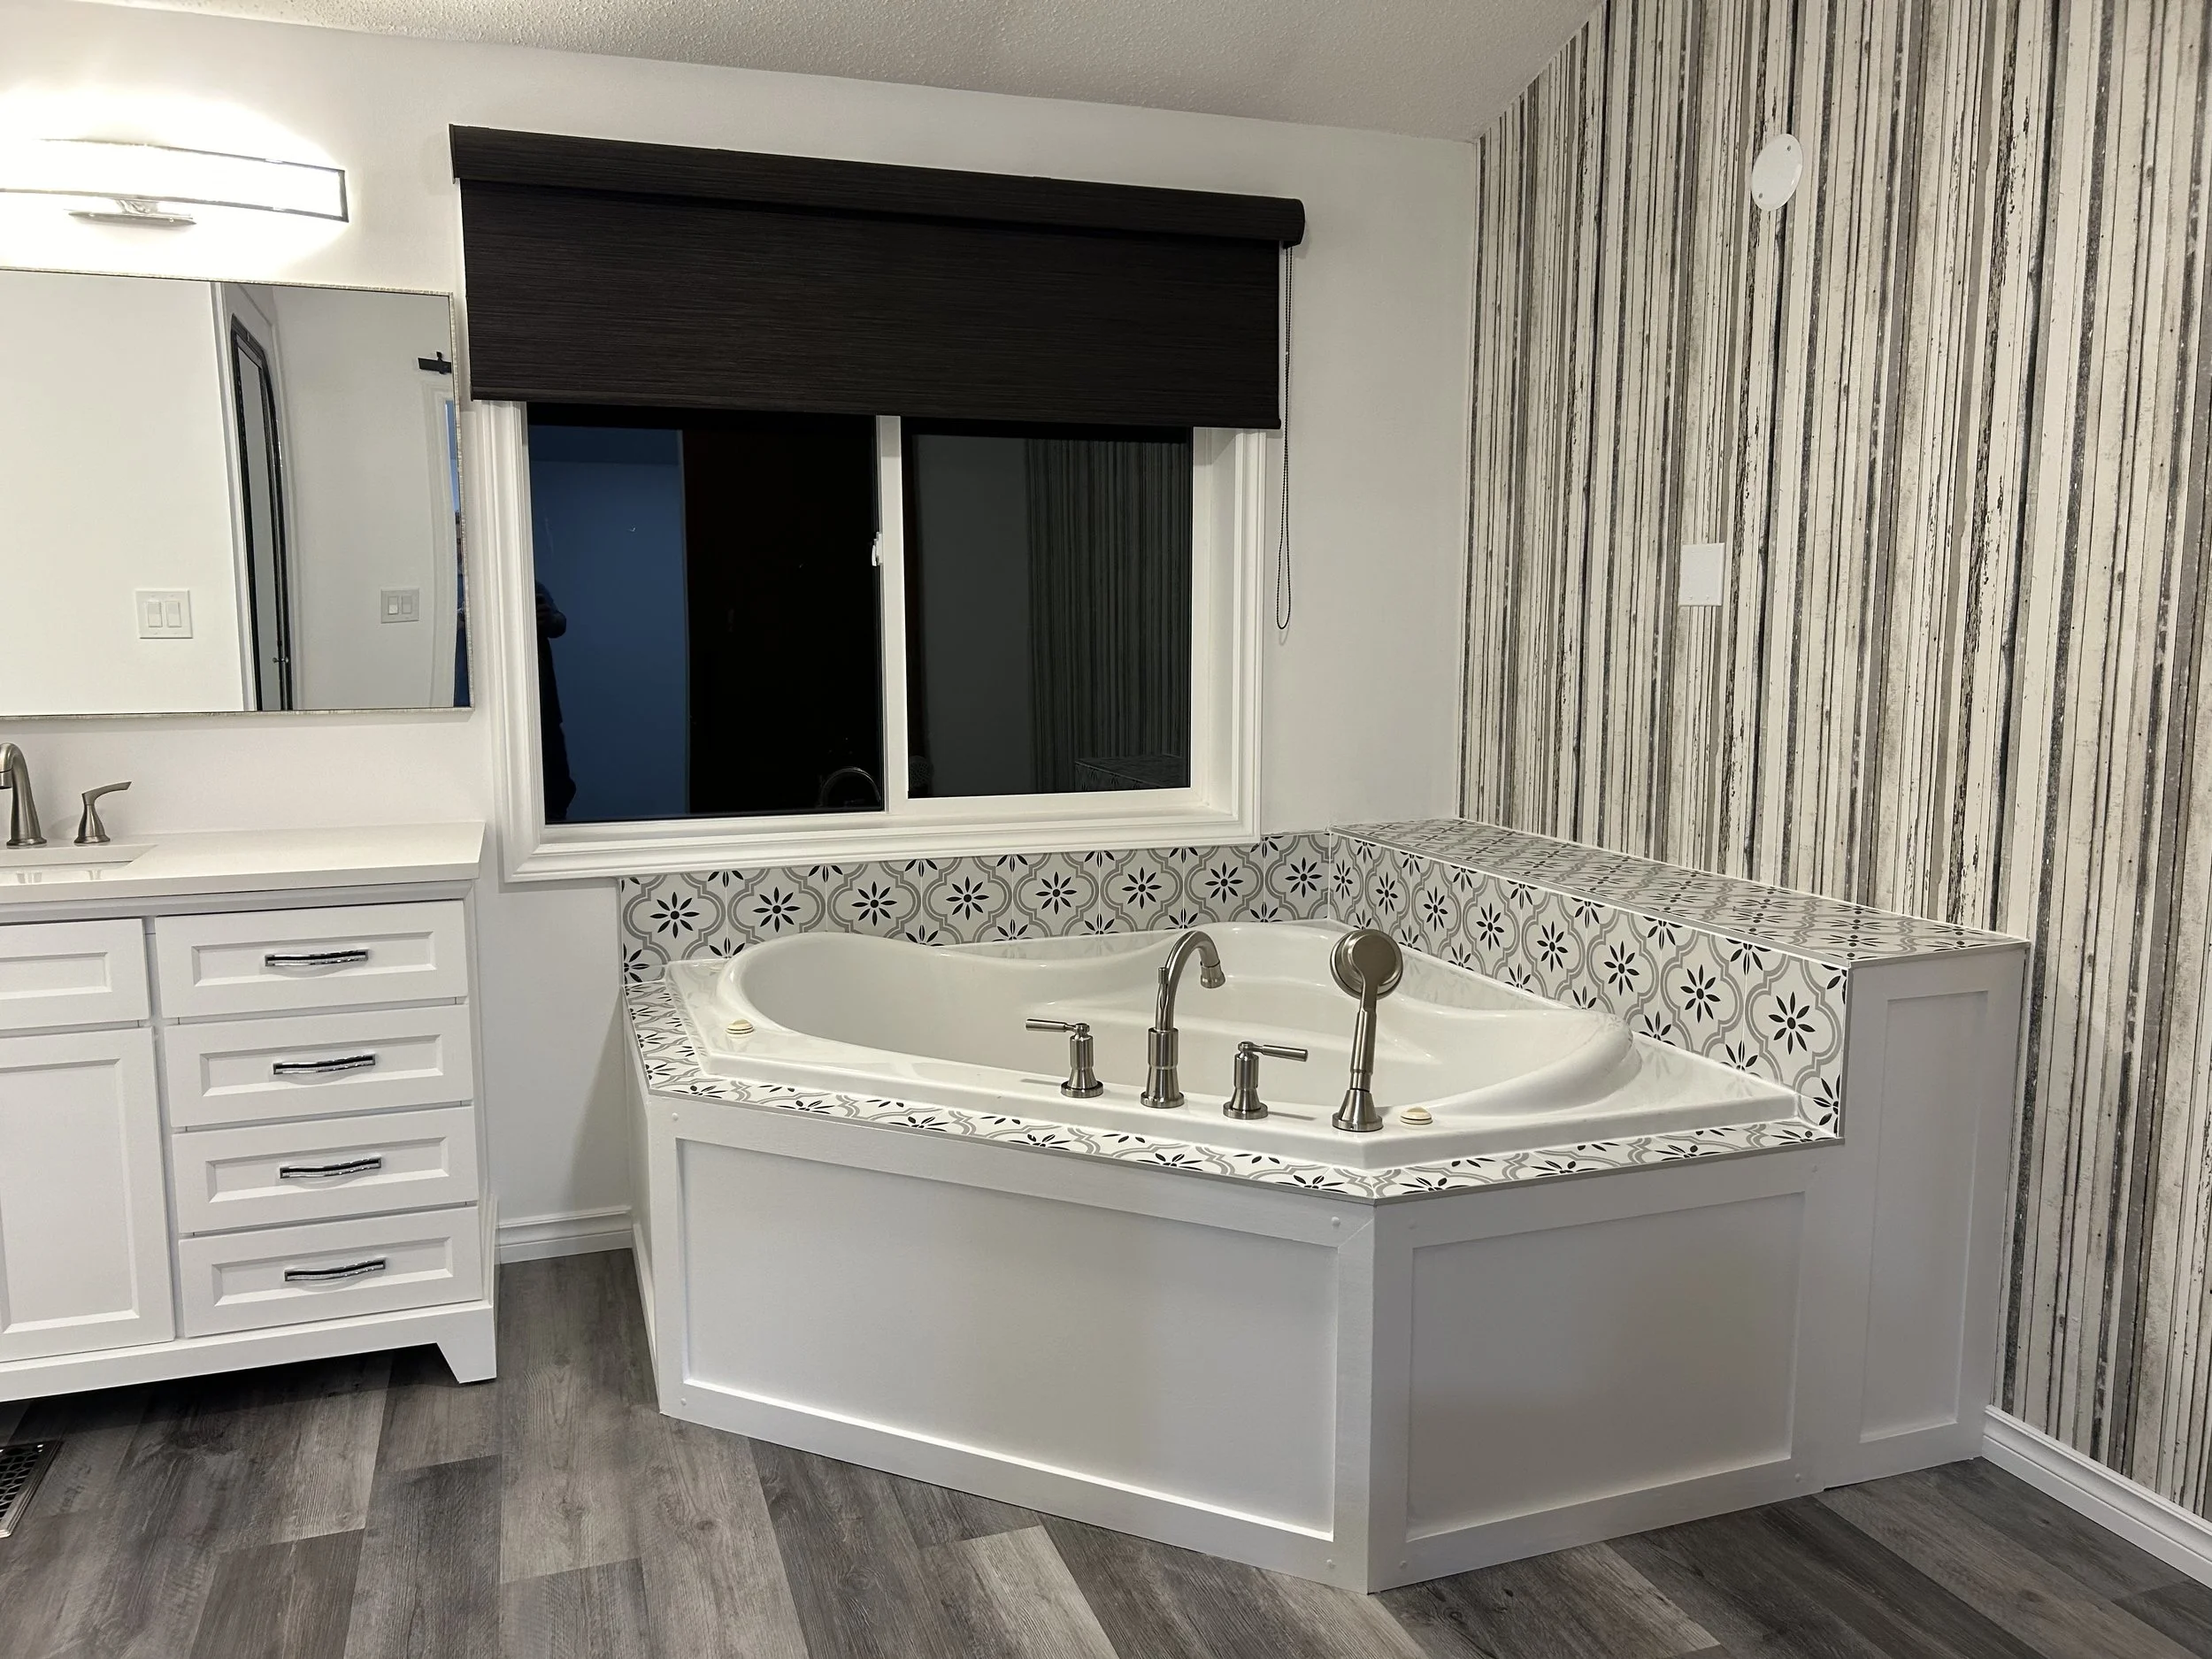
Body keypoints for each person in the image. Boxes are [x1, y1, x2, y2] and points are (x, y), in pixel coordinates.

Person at [536, 581, 578, 821]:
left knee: (555, 791)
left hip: (544, 711)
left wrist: (548, 620)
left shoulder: (526, 584)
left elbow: (558, 623)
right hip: (488, 711)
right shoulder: (455, 589)